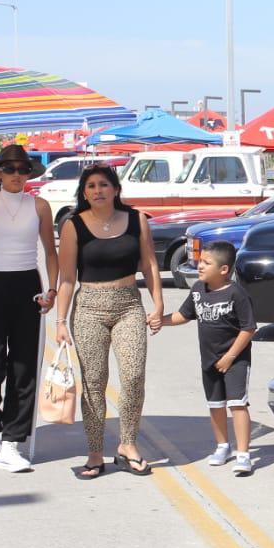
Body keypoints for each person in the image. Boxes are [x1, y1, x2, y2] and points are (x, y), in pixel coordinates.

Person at [54, 163, 163, 479]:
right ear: (83, 193)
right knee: (94, 381)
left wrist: (157, 305)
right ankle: (94, 452)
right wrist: (60, 321)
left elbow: (150, 265)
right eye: (90, 186)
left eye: (103, 184)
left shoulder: (136, 219)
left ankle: (128, 445)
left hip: (128, 304)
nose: (97, 191)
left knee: (133, 375)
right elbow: (65, 278)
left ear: (115, 189)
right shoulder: (74, 225)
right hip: (88, 307)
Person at [0, 145, 61, 472]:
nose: (17, 175)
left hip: (27, 286)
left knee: (23, 369)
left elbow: (50, 252)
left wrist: (52, 289)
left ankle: (11, 443)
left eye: (23, 169)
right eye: (10, 169)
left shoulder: (40, 205)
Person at [162, 240, 258, 476]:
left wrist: (231, 356)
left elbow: (249, 328)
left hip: (235, 360)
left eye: (206, 263)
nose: (200, 266)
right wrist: (158, 320)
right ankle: (222, 447)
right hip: (209, 360)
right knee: (215, 406)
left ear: (223, 269)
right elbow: (183, 315)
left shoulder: (237, 293)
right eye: (200, 261)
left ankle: (244, 454)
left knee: (237, 404)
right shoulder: (198, 290)